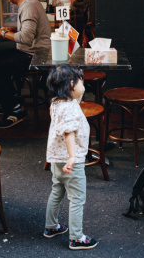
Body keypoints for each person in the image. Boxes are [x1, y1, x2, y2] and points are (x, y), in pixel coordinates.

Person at [0, 0, 52, 128]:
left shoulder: (28, 6)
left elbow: (26, 38)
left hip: (34, 55)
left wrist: (1, 32)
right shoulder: (30, 3)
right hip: (31, 51)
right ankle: (12, 101)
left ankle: (16, 109)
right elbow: (29, 31)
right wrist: (11, 29)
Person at [43, 65, 98, 251]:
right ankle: (76, 237)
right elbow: (69, 133)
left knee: (57, 191)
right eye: (82, 82)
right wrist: (73, 157)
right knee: (77, 198)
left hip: (56, 159)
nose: (84, 85)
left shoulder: (57, 102)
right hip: (70, 161)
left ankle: (51, 226)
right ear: (72, 85)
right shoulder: (70, 108)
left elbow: (77, 95)